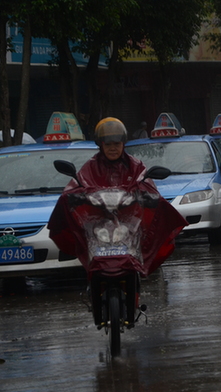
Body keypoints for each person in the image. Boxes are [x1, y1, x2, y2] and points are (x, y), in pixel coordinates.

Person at [48, 117, 187, 325]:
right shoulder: (89, 168)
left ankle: (135, 292)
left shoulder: (136, 166)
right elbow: (74, 186)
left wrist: (148, 196)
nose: (113, 148)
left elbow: (147, 185)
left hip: (128, 227)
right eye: (108, 144)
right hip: (98, 227)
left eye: (117, 144)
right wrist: (73, 196)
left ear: (123, 144)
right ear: (100, 145)